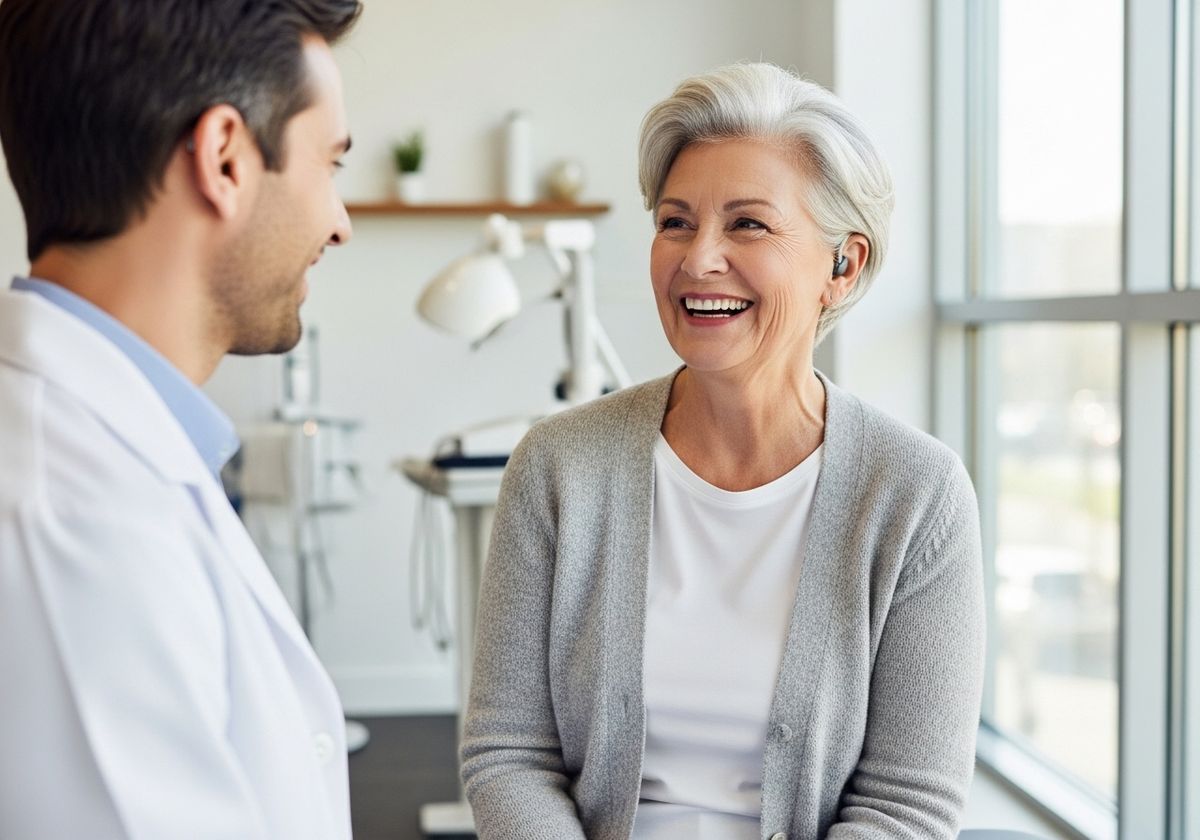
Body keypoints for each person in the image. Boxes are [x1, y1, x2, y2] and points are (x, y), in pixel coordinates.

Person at [461, 63, 985, 840]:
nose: (698, 259)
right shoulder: (558, 467)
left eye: (748, 224)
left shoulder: (915, 494)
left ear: (843, 266)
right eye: (675, 221)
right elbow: (507, 755)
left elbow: (906, 809)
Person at [0, 1, 361, 837]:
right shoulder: (76, 526)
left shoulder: (103, 459)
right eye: (331, 165)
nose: (339, 222)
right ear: (225, 158)